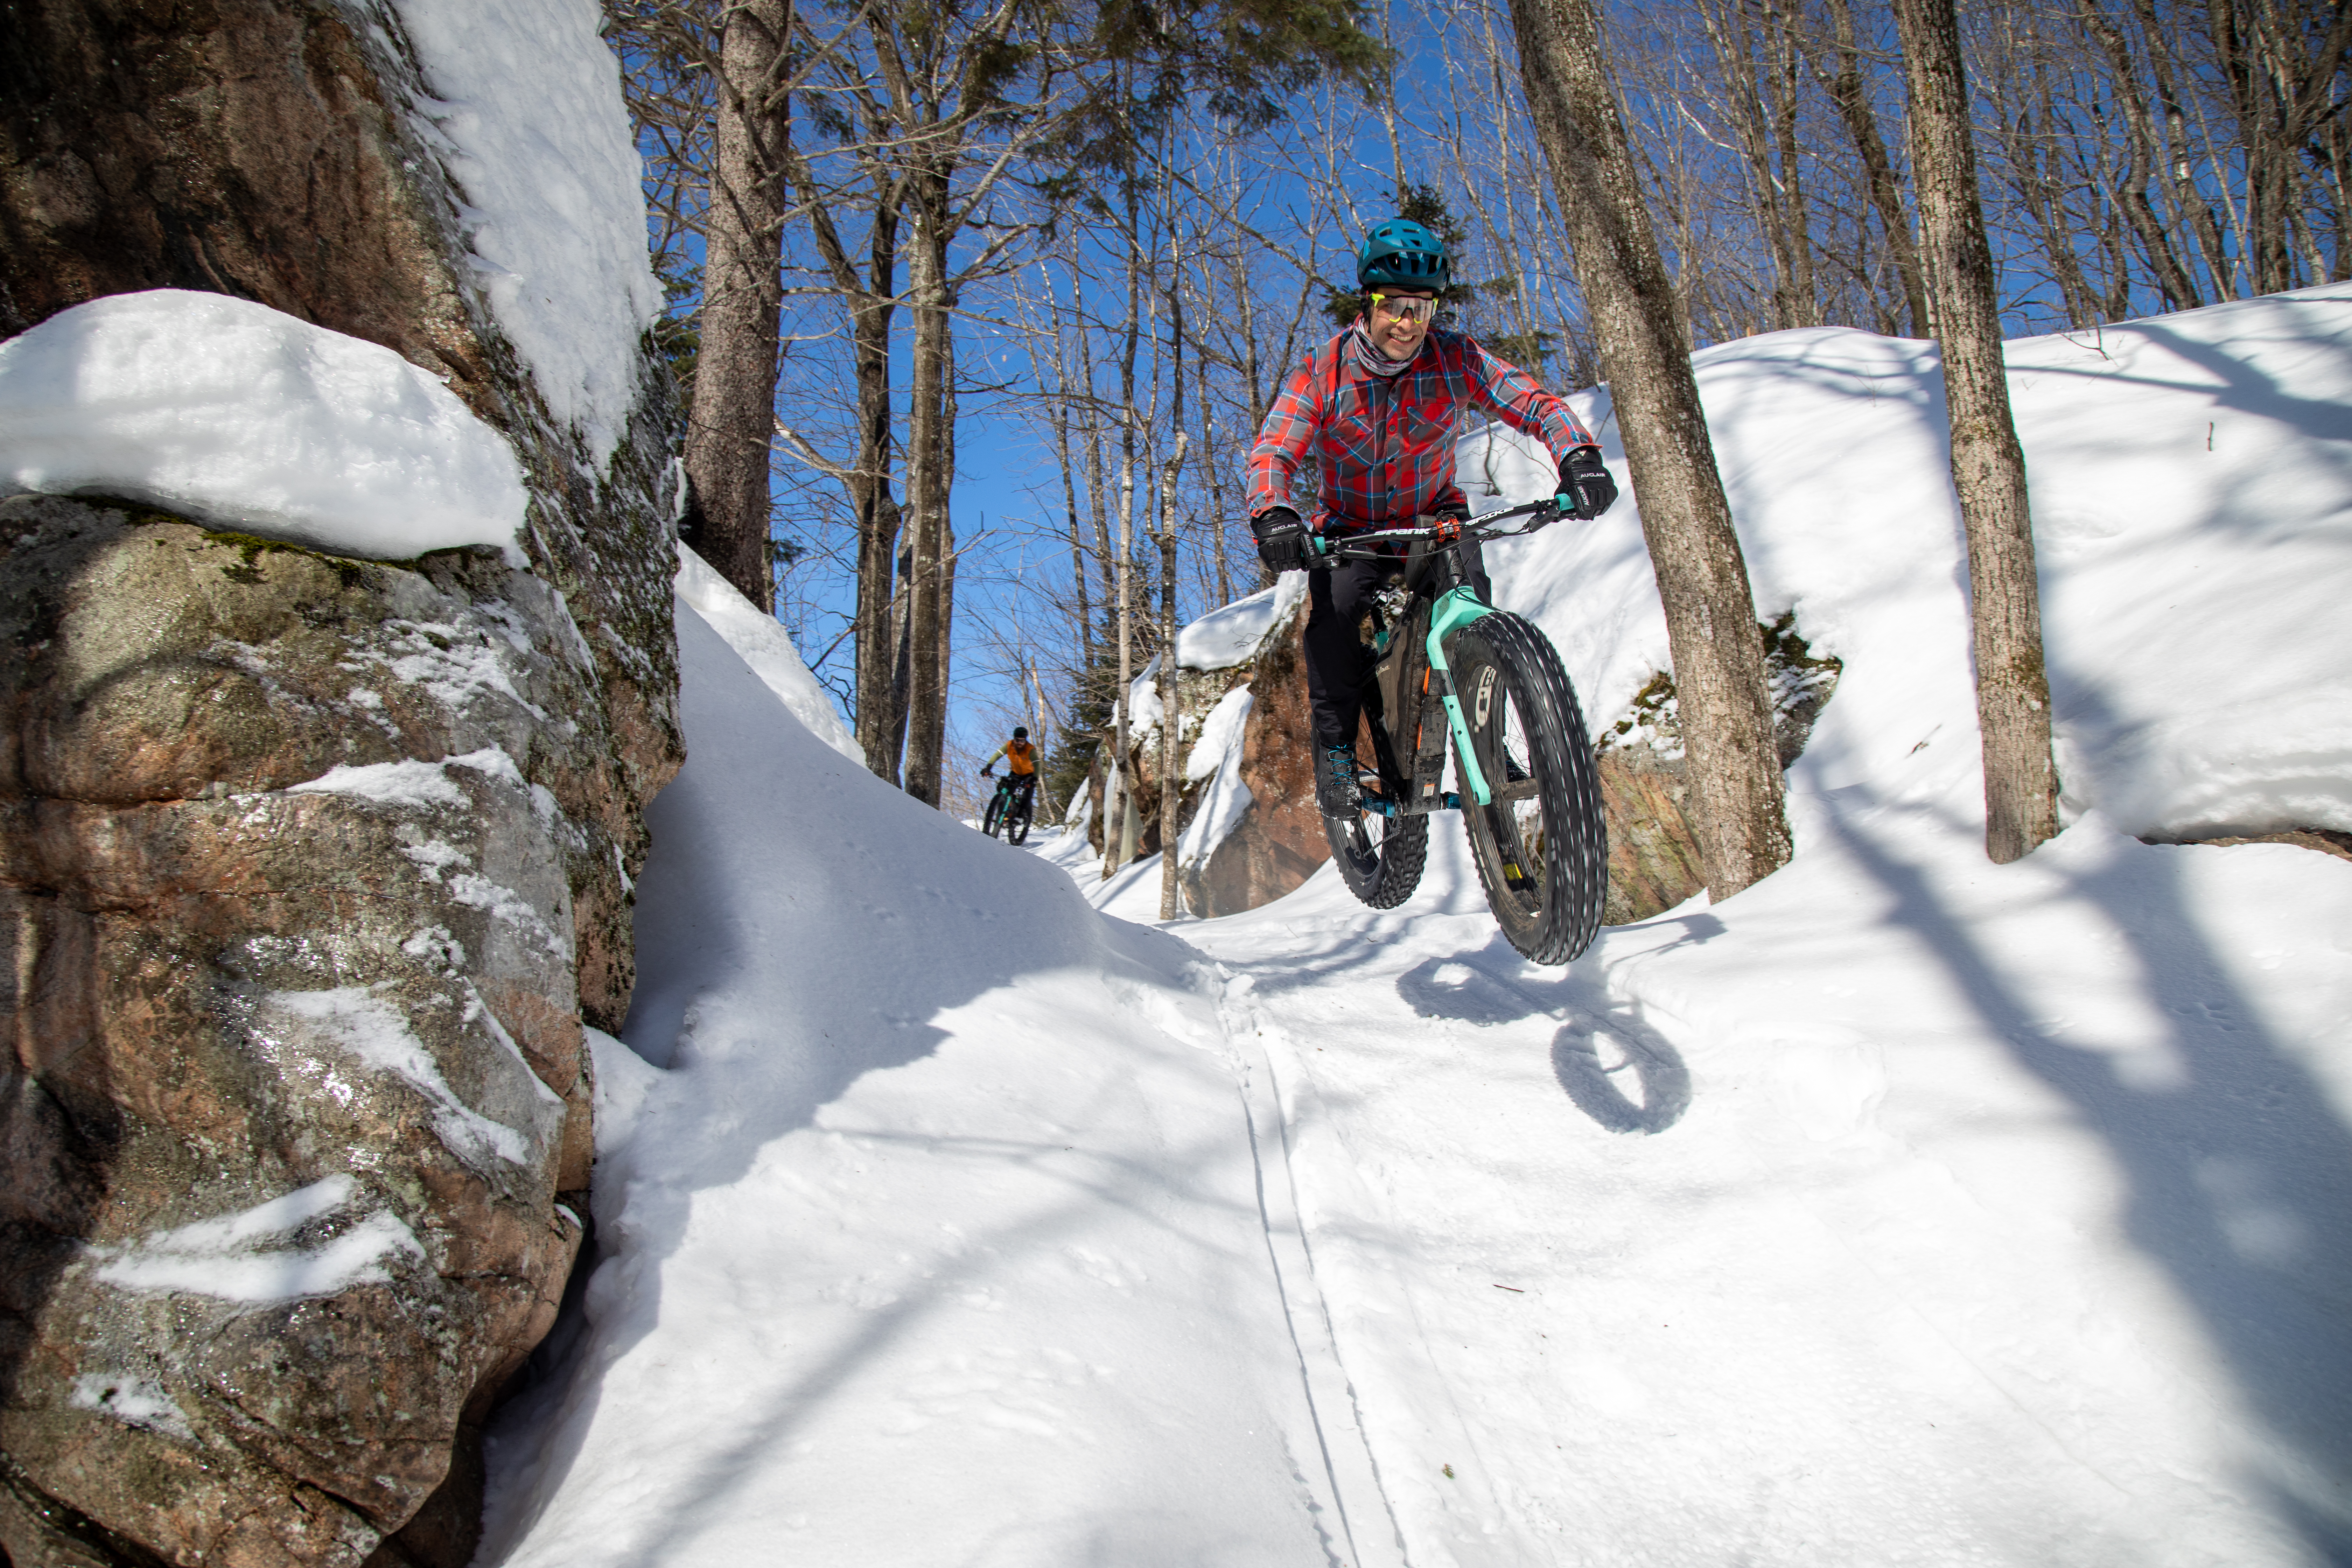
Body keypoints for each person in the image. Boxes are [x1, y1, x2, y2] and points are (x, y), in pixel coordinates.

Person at [1246, 218, 1619, 816]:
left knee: (1473, 605)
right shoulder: (1322, 369)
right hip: (1353, 531)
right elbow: (1275, 450)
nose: (1406, 323)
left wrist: (1578, 455)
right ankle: (1339, 752)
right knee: (1335, 618)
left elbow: (1535, 403)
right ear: (1368, 302)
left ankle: (1489, 741)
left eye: (1420, 310)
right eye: (1393, 306)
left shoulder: (1457, 360)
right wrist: (1274, 512)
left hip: (1435, 518)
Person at [979, 726, 1040, 819]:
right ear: (1014, 739)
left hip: (1029, 774)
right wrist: (988, 768)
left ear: (1025, 741)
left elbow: (1037, 764)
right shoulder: (1009, 745)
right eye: (1017, 740)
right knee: (1006, 789)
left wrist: (1035, 779)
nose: (1020, 743)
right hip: (1015, 773)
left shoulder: (1030, 749)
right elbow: (997, 755)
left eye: (1022, 741)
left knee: (1028, 792)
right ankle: (1008, 810)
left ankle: (1022, 813)